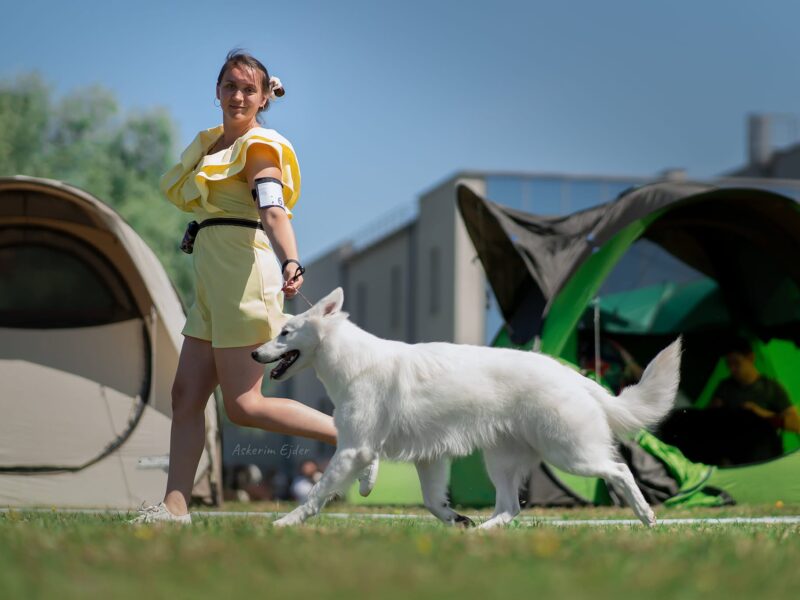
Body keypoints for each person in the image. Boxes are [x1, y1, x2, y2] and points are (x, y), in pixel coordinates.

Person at [130, 50, 364, 524]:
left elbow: (272, 209)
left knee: (244, 405)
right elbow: (222, 209)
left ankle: (357, 437)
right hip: (213, 281)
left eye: (248, 89)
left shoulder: (259, 146)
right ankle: (174, 509)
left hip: (245, 278)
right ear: (216, 90)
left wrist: (291, 257)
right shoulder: (212, 145)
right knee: (185, 396)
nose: (237, 95)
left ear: (261, 98)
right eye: (230, 86)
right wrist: (203, 229)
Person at [711, 336, 800, 434]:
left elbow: (796, 424)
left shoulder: (772, 388)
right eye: (729, 364)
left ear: (750, 358)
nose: (732, 369)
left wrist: (760, 414)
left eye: (736, 363)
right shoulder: (724, 387)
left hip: (766, 446)